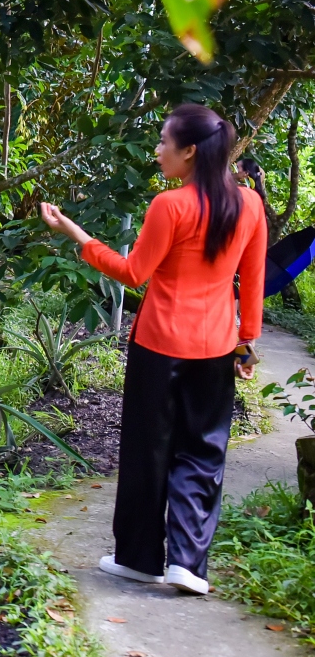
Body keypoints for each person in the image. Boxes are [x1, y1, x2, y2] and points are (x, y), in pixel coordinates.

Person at [40, 103, 267, 596]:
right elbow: (253, 278)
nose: (158, 151)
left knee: (149, 449)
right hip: (216, 346)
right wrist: (247, 342)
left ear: (190, 152)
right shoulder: (249, 204)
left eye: (165, 142)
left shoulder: (171, 205)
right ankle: (188, 563)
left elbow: (132, 273)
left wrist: (74, 233)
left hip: (159, 344)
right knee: (204, 452)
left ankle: (141, 559)